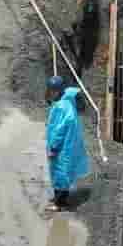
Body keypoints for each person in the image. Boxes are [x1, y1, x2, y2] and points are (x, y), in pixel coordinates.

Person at [45, 77, 91, 211]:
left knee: (60, 173)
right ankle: (60, 200)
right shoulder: (67, 102)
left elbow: (59, 130)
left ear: (57, 91)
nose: (50, 93)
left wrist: (54, 148)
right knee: (62, 172)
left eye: (52, 91)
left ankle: (59, 204)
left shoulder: (61, 107)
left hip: (61, 146)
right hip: (67, 145)